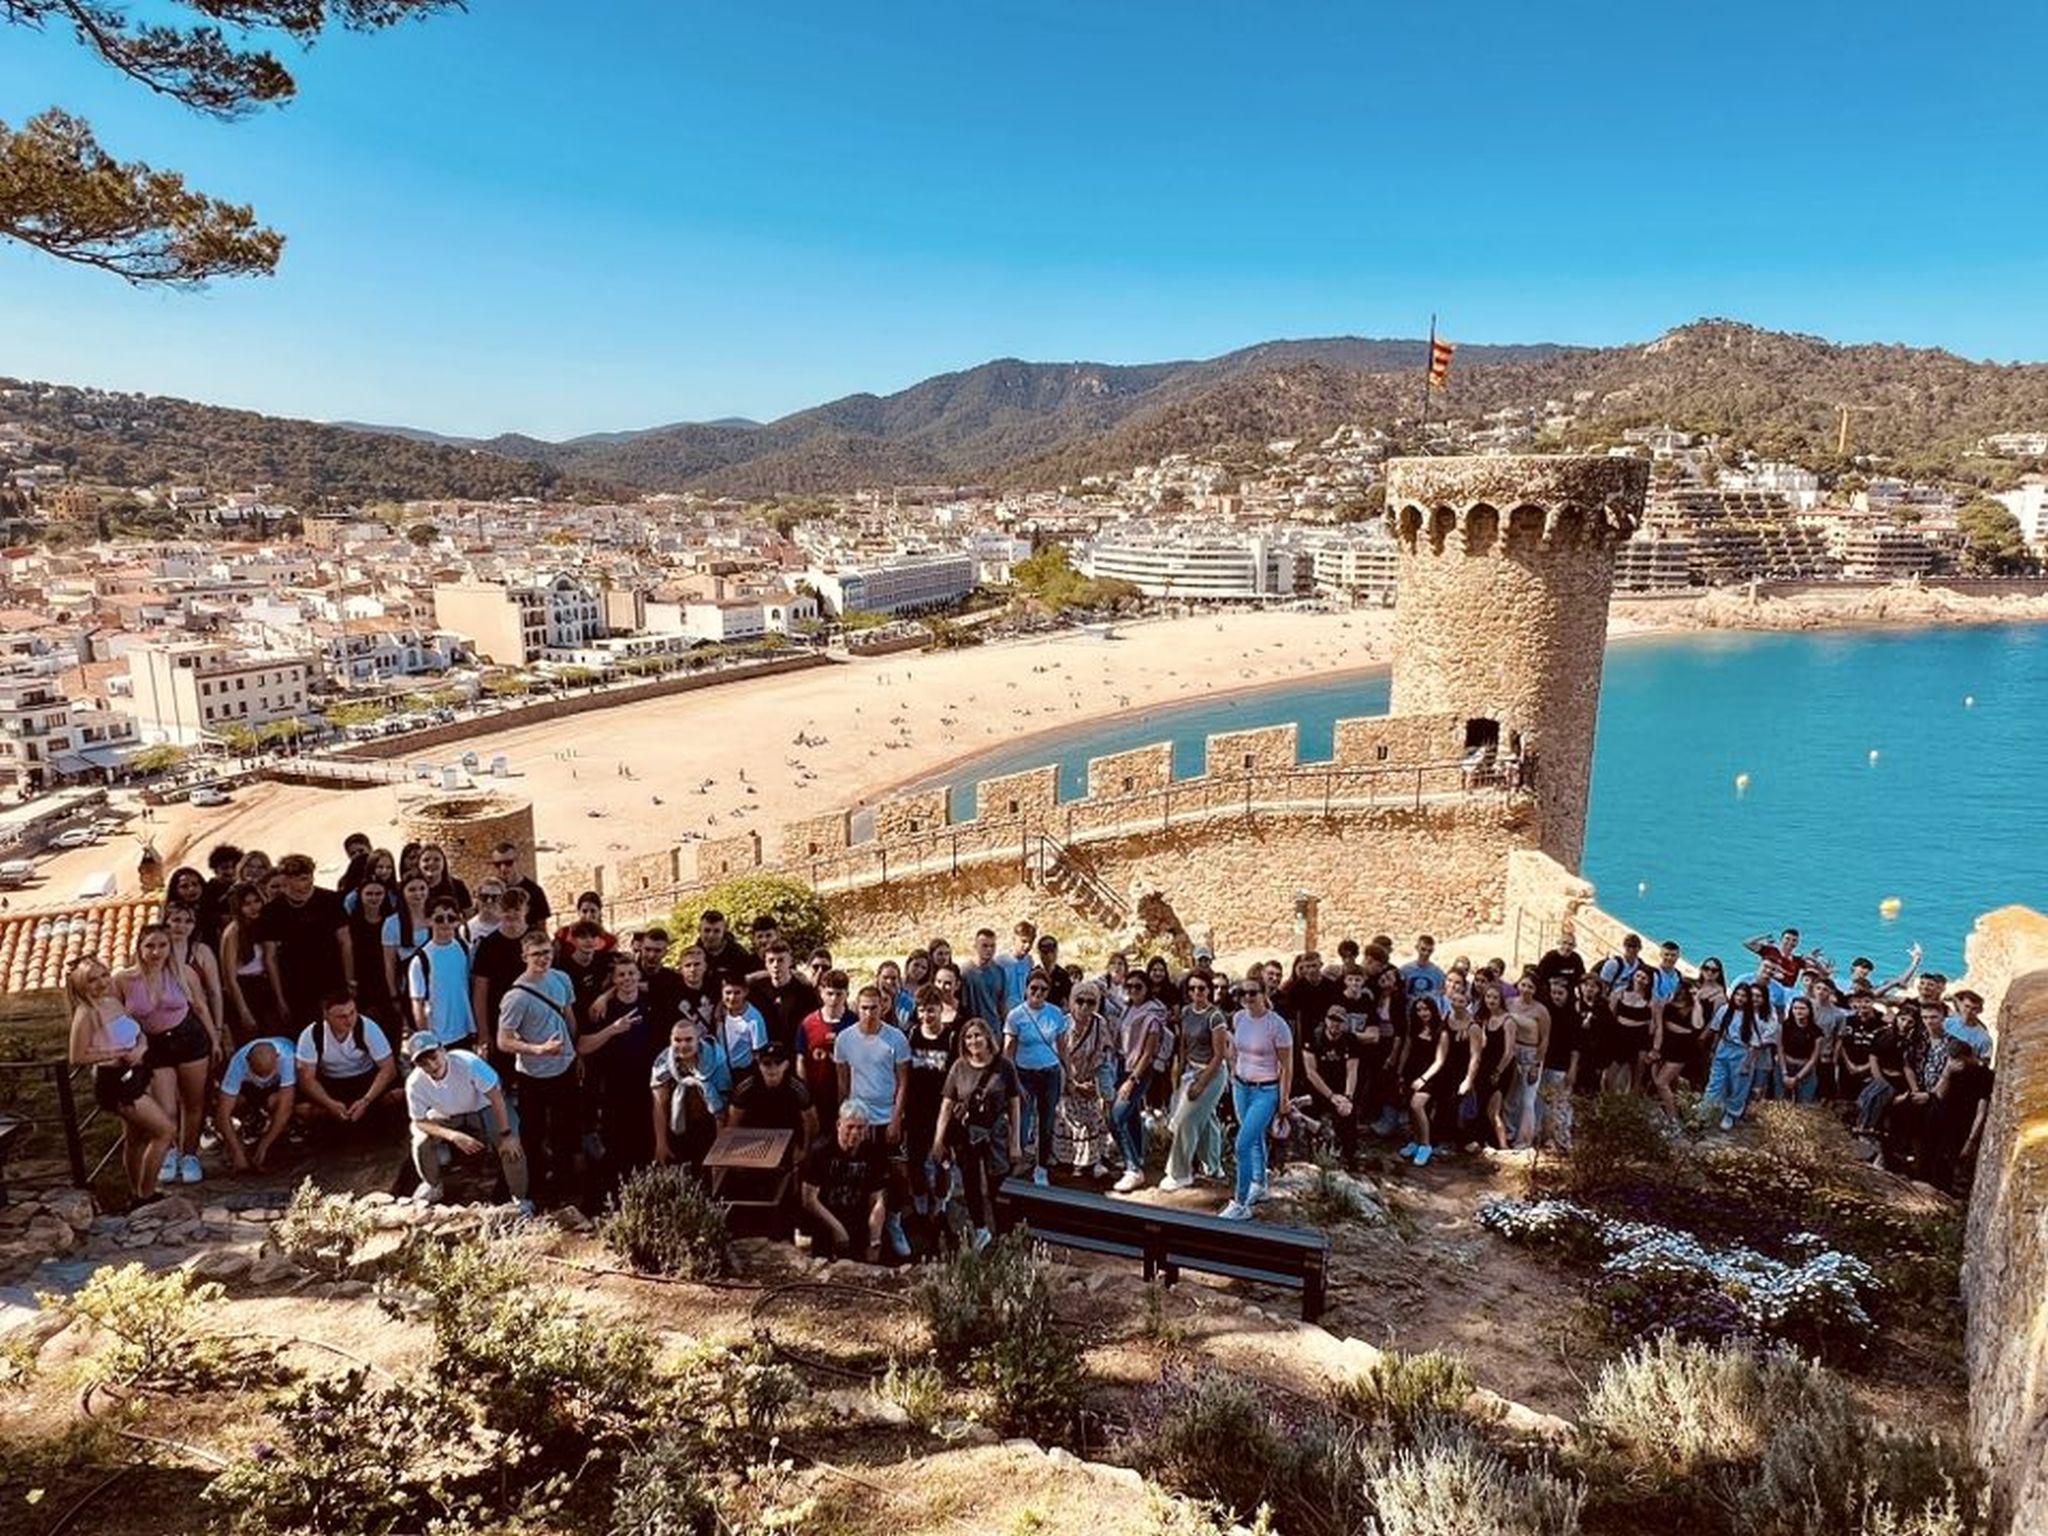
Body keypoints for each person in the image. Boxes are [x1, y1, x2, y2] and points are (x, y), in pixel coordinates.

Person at [118, 922, 221, 1188]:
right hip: (153, 1045)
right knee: (166, 1109)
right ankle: (170, 1150)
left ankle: (190, 1155)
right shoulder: (124, 980)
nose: (156, 952)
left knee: (193, 1102)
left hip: (188, 1039)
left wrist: (215, 1039)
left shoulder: (184, 973)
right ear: (139, 948)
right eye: (150, 946)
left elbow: (200, 1006)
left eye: (162, 945)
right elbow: (116, 1017)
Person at [67, 956, 175, 1201]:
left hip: (136, 1071)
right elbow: (76, 1056)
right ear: (81, 985)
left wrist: (141, 1046)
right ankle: (147, 1195)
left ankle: (136, 1194)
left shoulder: (112, 1001)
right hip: (115, 1082)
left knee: (136, 1138)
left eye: (104, 975)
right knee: (165, 1131)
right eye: (92, 980)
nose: (102, 982)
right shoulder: (86, 1013)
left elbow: (137, 1031)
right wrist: (118, 1054)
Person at [496, 930, 580, 1209]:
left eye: (546, 953)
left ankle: (564, 1185)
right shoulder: (516, 997)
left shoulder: (561, 979)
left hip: (564, 1067)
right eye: (536, 954)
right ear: (524, 956)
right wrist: (538, 1049)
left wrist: (575, 1053)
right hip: (533, 1074)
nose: (543, 959)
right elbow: (503, 1040)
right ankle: (532, 1187)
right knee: (533, 1132)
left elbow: (569, 1017)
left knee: (564, 1130)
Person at [403, 1032, 530, 1213]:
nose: (431, 1065)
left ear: (443, 1050)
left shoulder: (467, 1063)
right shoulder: (415, 1083)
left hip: (484, 1107)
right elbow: (419, 1121)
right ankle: (433, 1184)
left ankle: (520, 1198)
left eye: (433, 1057)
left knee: (511, 1145)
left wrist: (506, 1134)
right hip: (448, 1114)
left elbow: (496, 1097)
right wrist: (453, 1136)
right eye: (423, 1062)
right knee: (420, 1139)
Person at [931, 1017, 1022, 1252]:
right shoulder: (959, 1067)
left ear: (987, 1037)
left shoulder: (1004, 1066)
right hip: (967, 1133)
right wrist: (938, 1139)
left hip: (996, 1133)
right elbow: (947, 1105)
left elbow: (1014, 1103)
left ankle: (1004, 1232)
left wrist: (1015, 1142)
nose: (973, 1041)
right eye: (968, 1037)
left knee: (998, 1183)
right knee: (970, 1181)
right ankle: (981, 1228)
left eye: (977, 1036)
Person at [834, 984, 912, 1257]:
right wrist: (843, 1120)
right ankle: (863, 1228)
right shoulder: (844, 1039)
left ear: (883, 1008)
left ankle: (895, 1221)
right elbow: (842, 1083)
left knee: (899, 1173)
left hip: (887, 1116)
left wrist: (896, 1119)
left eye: (874, 1008)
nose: (869, 1013)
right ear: (857, 1008)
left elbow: (903, 1082)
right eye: (864, 1008)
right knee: (863, 1173)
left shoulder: (896, 1038)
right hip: (860, 1119)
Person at [1221, 977, 1292, 1220]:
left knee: (1242, 1143)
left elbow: (1287, 1066)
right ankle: (1259, 1183)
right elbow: (1236, 1048)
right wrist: (1233, 1069)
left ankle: (1240, 1203)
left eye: (1252, 993)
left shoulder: (1277, 1025)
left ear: (1264, 994)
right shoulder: (1239, 1018)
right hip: (1241, 1086)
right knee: (1253, 1138)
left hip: (1266, 1090)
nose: (1247, 998)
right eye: (1242, 993)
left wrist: (1284, 1099)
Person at [260, 853, 352, 1035]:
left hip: (331, 979)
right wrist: (280, 998)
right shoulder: (272, 911)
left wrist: (350, 980)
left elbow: (345, 942)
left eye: (308, 876)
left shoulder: (330, 900)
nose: (307, 882)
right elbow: (270, 957)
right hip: (296, 984)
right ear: (287, 879)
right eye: (300, 878)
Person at [1161, 973, 1228, 1191]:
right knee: (1206, 1120)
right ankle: (1213, 1166)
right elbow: (1184, 1044)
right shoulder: (1187, 1012)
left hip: (1212, 1074)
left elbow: (1219, 1055)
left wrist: (1200, 1084)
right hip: (1191, 1070)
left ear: (1209, 990)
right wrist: (1180, 1072)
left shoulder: (1216, 1017)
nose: (1196, 992)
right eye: (1192, 989)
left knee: (1185, 1120)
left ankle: (1179, 1173)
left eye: (1201, 988)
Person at [295, 991, 398, 1133]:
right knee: (302, 1109)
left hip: (366, 1079)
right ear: (326, 1015)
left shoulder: (367, 1027)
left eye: (352, 1013)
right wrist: (329, 1104)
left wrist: (366, 1100)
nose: (349, 1020)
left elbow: (388, 1069)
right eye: (341, 1017)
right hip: (332, 1083)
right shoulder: (311, 1034)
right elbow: (306, 1079)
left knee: (398, 1095)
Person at [1003, 965, 1069, 1186]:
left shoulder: (1055, 1013)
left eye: (1043, 989)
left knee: (1046, 1122)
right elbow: (1008, 1053)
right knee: (1021, 1121)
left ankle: (1041, 1166)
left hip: (1050, 1073)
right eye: (1034, 988)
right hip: (1024, 1074)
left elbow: (1062, 1046)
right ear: (1026, 989)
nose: (1038, 993)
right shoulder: (1016, 1016)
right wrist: (1013, 1082)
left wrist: (1069, 1072)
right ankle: (1018, 1160)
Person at [802, 1105, 890, 1262]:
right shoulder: (821, 1151)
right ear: (839, 1125)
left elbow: (877, 1200)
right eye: (850, 1127)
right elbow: (809, 1200)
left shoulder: (873, 1153)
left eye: (860, 1127)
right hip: (825, 1220)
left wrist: (875, 1241)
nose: (855, 1133)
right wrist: (837, 1229)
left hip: (857, 1222)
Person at [901, 986, 957, 1218]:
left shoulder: (951, 1038)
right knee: (915, 1158)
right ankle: (920, 1204)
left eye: (931, 1010)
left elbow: (956, 1077)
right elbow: (903, 1073)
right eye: (922, 1010)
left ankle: (941, 1204)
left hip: (942, 1108)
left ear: (941, 1009)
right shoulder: (911, 1034)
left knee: (941, 1157)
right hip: (915, 1108)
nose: (926, 1016)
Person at [650, 1018, 731, 1175]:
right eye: (677, 1040)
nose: (683, 1045)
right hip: (677, 1125)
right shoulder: (663, 1062)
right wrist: (661, 1143)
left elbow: (723, 1103)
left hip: (709, 1125)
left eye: (688, 1040)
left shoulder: (715, 1057)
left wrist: (720, 1149)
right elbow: (659, 1104)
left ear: (698, 1040)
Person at [1110, 970, 1165, 1192]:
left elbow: (1148, 1053)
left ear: (1147, 988)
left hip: (1138, 1071)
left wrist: (1132, 1080)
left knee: (1116, 1117)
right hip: (1123, 1065)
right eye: (1129, 986)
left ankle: (1133, 1169)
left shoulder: (1152, 1016)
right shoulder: (1129, 1008)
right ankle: (1136, 1157)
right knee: (1131, 1115)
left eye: (1138, 987)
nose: (1133, 990)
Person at [1054, 981, 1112, 1180]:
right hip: (1066, 1081)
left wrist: (1096, 1085)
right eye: (1080, 1001)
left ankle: (1093, 1161)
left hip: (1088, 1079)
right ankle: (1069, 1162)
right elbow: (1056, 1058)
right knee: (1070, 1120)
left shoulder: (1100, 1024)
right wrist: (1072, 1083)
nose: (1085, 1006)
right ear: (1072, 1001)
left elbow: (1102, 1056)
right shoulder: (1063, 1024)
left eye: (1091, 1002)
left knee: (1092, 1119)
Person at [214, 1038, 297, 1173]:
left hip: (276, 1088)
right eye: (258, 1073)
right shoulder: (238, 1062)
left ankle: (280, 1135)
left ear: (277, 1058)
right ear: (247, 1060)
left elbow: (286, 1108)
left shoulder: (288, 1057)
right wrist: (237, 1153)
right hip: (250, 1088)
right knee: (236, 1101)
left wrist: (264, 1145)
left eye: (267, 1073)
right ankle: (239, 1137)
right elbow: (222, 1114)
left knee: (276, 1102)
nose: (263, 1077)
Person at [408, 902, 478, 1048]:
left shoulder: (464, 948)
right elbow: (417, 1003)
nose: (446, 923)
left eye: (451, 918)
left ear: (458, 921)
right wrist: (427, 1041)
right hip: (439, 1037)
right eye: (439, 919)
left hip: (465, 1030)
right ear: (428, 921)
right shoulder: (421, 959)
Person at [1706, 982, 1770, 1131]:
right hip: (1724, 1047)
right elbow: (1717, 1030)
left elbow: (1755, 1044)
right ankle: (1706, 1109)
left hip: (1742, 1052)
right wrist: (1713, 1050)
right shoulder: (1724, 1010)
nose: (1740, 998)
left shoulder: (1751, 1017)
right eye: (1737, 994)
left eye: (1744, 996)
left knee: (1738, 1086)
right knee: (1715, 1081)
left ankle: (1731, 1114)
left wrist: (1747, 1063)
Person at [1300, 1005, 1360, 1165]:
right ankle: (1312, 1153)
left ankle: (1349, 1156)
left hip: (1341, 1087)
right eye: (1332, 1020)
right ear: (1326, 1020)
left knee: (1348, 1114)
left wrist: (1347, 1097)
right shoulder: (1313, 1037)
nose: (1335, 1025)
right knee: (1310, 1114)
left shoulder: (1351, 1040)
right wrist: (1331, 1096)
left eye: (1339, 1021)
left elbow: (1352, 1070)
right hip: (1317, 1087)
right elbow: (1311, 1072)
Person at [799, 969, 857, 1125]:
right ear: (821, 992)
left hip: (847, 1095)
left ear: (847, 994)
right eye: (830, 993)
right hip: (816, 1094)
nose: (834, 999)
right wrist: (805, 1091)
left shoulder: (855, 1023)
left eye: (839, 994)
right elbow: (801, 1059)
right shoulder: (808, 1023)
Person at [748, 940, 821, 1057]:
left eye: (781, 960)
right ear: (765, 963)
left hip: (794, 1052)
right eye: (771, 961)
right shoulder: (757, 989)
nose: (775, 965)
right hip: (766, 1053)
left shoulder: (804, 991)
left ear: (790, 962)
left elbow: (813, 1024)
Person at [486, 841, 550, 928]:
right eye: (498, 864)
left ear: (517, 861)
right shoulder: (489, 892)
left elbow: (541, 927)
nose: (503, 868)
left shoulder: (535, 891)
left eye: (508, 863)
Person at [961, 928, 1009, 1026]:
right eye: (985, 946)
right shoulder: (965, 971)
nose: (989, 950)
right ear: (975, 946)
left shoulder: (999, 971)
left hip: (994, 1027)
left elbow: (1002, 1004)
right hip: (973, 1027)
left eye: (992, 946)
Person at [1398, 935, 1446, 1001]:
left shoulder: (1438, 973)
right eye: (1423, 949)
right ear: (1417, 948)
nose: (1426, 953)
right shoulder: (1405, 970)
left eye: (1429, 951)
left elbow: (1441, 993)